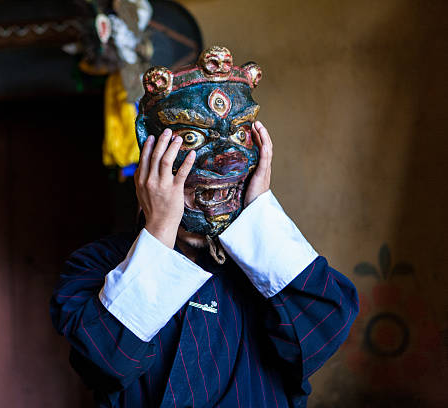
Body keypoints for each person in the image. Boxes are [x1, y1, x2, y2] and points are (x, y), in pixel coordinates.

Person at [51, 47, 358, 408]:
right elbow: (105, 362)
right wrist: (161, 228)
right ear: (151, 158)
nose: (227, 156)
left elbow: (326, 332)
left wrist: (258, 213)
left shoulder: (270, 262)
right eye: (194, 139)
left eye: (241, 137)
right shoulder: (96, 264)